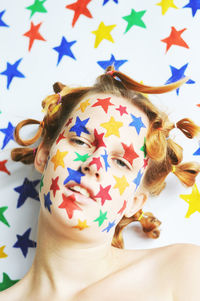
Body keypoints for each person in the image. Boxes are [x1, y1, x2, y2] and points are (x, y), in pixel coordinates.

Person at [1, 66, 200, 301]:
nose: (95, 164)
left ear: (134, 202)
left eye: (122, 163)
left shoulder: (183, 272)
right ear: (44, 155)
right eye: (80, 141)